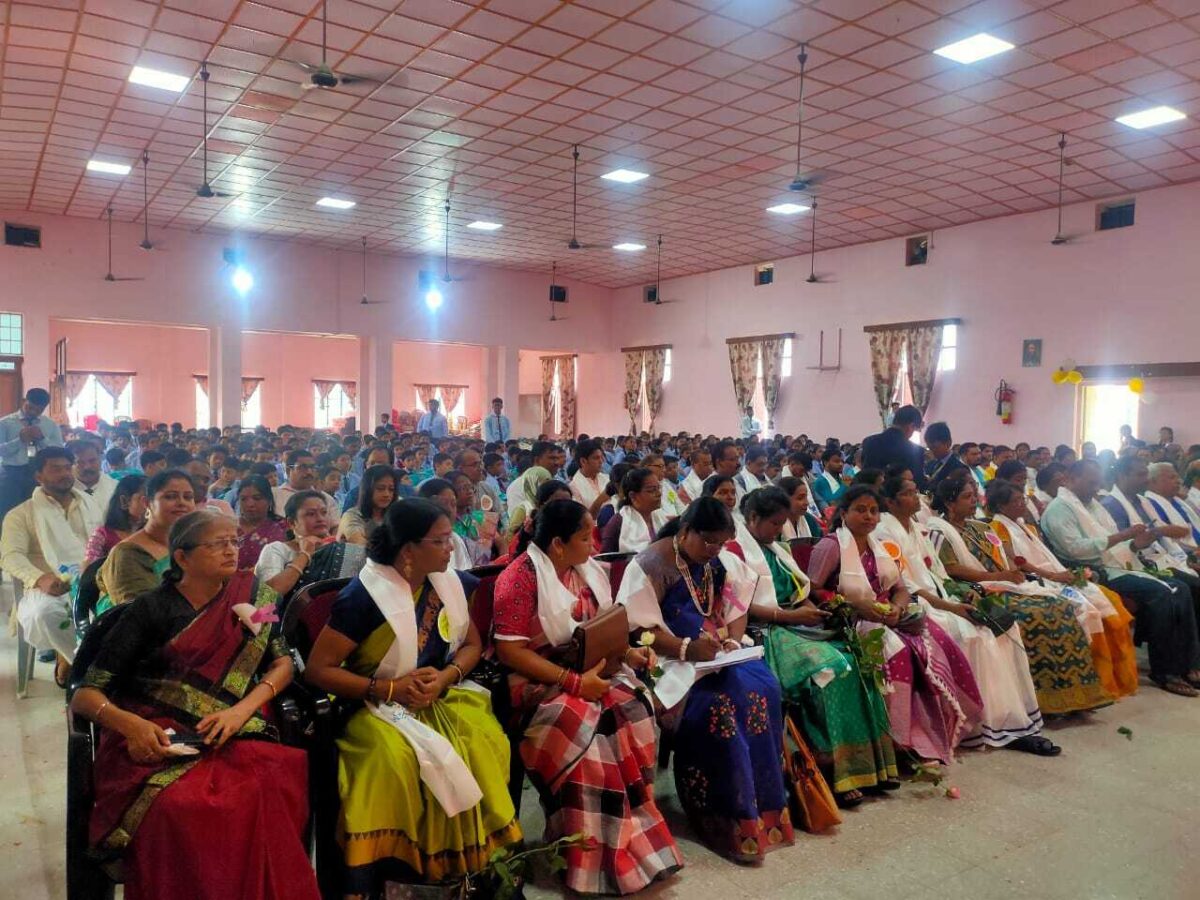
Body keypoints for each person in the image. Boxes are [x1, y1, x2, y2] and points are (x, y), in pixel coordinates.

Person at [69, 511, 319, 900]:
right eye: (217, 544)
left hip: (233, 726)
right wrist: (132, 726)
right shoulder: (149, 610)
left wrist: (241, 711)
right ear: (182, 557)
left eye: (234, 541)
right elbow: (85, 694)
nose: (231, 551)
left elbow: (283, 663)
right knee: (179, 805)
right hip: (158, 733)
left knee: (267, 783)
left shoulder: (255, 595)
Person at [304, 499, 522, 894]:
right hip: (371, 702)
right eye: (440, 541)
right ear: (408, 550)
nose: (451, 548)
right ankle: (387, 876)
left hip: (438, 694)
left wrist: (445, 677)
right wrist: (391, 689)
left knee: (480, 740)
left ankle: (468, 875)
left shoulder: (448, 584)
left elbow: (473, 645)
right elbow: (319, 669)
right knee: (392, 759)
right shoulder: (364, 597)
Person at [492, 500, 681, 894]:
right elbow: (511, 652)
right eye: (584, 538)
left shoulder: (586, 570)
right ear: (558, 544)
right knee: (589, 731)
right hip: (537, 681)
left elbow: (602, 628)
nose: (594, 545)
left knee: (633, 708)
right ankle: (587, 857)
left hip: (588, 671)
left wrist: (628, 653)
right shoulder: (519, 578)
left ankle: (633, 843)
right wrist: (574, 683)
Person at [618, 498, 795, 863]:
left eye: (721, 542)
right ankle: (723, 815)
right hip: (666, 661)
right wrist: (685, 648)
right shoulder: (650, 565)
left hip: (714, 654)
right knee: (722, 707)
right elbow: (637, 629)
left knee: (764, 687)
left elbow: (737, 607)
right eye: (708, 541)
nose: (714, 550)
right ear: (686, 531)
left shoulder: (719, 561)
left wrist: (732, 640)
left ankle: (764, 809)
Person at [737, 487, 899, 804]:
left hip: (795, 623)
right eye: (774, 523)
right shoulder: (735, 551)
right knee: (830, 670)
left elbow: (802, 591)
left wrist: (819, 612)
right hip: (766, 630)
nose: (778, 531)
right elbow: (739, 607)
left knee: (855, 659)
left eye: (782, 524)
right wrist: (791, 616)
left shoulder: (777, 549)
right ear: (753, 517)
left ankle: (869, 767)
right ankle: (833, 773)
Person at [877, 477, 1058, 755]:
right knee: (973, 634)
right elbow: (906, 585)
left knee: (1003, 627)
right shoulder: (885, 533)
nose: (917, 497)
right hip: (918, 603)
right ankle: (984, 724)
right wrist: (950, 606)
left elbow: (938, 573)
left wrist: (961, 594)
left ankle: (1013, 718)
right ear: (890, 502)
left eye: (915, 491)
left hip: (941, 596)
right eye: (908, 493)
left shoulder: (915, 528)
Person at [806, 486, 983, 764]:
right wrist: (856, 605)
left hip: (886, 614)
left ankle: (930, 733)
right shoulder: (831, 546)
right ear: (844, 513)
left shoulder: (879, 546)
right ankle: (901, 742)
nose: (868, 516)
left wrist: (897, 608)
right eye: (860, 510)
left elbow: (900, 589)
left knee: (936, 638)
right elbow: (813, 589)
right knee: (897, 651)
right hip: (848, 618)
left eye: (873, 511)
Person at [927, 472, 1112, 713]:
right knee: (1034, 614)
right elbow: (950, 569)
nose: (974, 501)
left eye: (974, 495)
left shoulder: (980, 526)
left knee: (1059, 606)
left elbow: (1008, 556)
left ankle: (1075, 693)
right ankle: (1040, 699)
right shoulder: (939, 531)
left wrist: (1015, 571)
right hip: (978, 590)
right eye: (966, 497)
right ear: (950, 503)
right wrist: (997, 577)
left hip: (1005, 583)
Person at [1040, 459, 1200, 696]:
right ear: (1071, 479)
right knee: (1163, 593)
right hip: (1091, 571)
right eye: (1091, 483)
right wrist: (1122, 536)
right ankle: (1165, 671)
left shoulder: (1093, 505)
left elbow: (1119, 543)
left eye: (1098, 483)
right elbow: (1076, 550)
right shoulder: (1059, 509)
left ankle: (1188, 664)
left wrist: (1135, 543)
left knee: (1181, 588)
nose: (1096, 489)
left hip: (1116, 564)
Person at [986, 479, 1138, 701]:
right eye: (1016, 501)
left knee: (1110, 599)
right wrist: (1054, 576)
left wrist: (1065, 573)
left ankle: (1117, 676)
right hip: (1037, 581)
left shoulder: (1025, 525)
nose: (1023, 504)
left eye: (1022, 499)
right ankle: (1099, 681)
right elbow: (1017, 561)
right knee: (1089, 610)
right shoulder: (998, 527)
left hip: (1055, 576)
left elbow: (1045, 556)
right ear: (1001, 506)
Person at [1, 447, 102, 682]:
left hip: (95, 580)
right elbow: (10, 555)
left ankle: (70, 659)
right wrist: (39, 578)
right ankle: (85, 669)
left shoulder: (92, 505)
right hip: (49, 587)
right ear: (39, 476)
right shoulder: (21, 514)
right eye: (56, 469)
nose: (65, 474)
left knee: (125, 607)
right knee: (45, 613)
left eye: (67, 468)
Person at [96, 469, 196, 613]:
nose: (182, 503)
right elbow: (141, 613)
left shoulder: (192, 544)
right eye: (170, 496)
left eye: (188, 497)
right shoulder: (127, 554)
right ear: (147, 503)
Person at [0, 388, 64, 525]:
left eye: (38, 410)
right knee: (8, 511)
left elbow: (59, 451)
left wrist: (42, 439)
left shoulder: (50, 425)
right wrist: (20, 440)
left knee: (37, 511)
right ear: (24, 401)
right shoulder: (5, 423)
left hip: (40, 473)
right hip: (12, 473)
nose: (33, 412)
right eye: (30, 407)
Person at [254, 491, 332, 597]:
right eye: (311, 514)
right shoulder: (276, 549)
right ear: (291, 523)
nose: (320, 518)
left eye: (324, 512)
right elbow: (267, 597)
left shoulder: (337, 550)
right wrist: (304, 555)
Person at [85, 474, 148, 567]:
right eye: (144, 499)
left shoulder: (156, 533)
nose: (151, 504)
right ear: (124, 501)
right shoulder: (102, 535)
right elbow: (89, 570)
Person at [599, 467, 667, 554]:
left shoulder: (660, 517)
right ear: (633, 496)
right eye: (651, 490)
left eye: (658, 488)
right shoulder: (619, 522)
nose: (659, 494)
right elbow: (605, 558)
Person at [861, 404, 926, 490]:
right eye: (914, 430)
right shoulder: (916, 451)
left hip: (870, 493)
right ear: (911, 426)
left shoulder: (869, 441)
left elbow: (864, 473)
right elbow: (917, 481)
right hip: (900, 495)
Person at [234, 475, 288, 571]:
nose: (250, 504)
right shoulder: (230, 528)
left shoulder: (282, 527)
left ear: (269, 500)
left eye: (257, 498)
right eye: (243, 499)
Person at [1143, 462, 1200, 551]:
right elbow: (1169, 543)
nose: (1179, 481)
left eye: (1178, 477)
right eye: (1172, 477)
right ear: (1153, 481)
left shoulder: (1178, 501)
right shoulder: (1150, 505)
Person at [274, 450, 338, 528]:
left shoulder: (326, 498)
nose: (309, 472)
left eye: (312, 467)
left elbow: (336, 527)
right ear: (288, 470)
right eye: (302, 467)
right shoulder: (275, 496)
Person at [338, 464, 395, 546]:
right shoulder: (351, 516)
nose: (387, 494)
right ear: (367, 489)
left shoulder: (393, 514)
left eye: (391, 489)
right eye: (380, 488)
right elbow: (360, 543)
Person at [69, 439, 117, 511]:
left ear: (100, 459)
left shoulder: (115, 487)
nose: (87, 467)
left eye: (92, 461)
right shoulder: (64, 492)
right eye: (80, 462)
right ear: (70, 465)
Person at [923, 421, 967, 488]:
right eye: (929, 448)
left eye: (935, 447)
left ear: (948, 443)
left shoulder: (959, 468)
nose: (932, 451)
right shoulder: (930, 464)